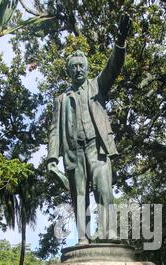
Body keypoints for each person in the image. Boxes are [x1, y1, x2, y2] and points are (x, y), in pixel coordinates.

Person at [47, 13, 131, 243]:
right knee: (79, 196)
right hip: (74, 152)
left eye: (80, 66)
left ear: (86, 67)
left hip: (97, 148)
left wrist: (120, 41)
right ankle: (83, 237)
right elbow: (55, 130)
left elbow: (113, 67)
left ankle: (109, 232)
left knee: (104, 189)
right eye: (73, 67)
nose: (77, 70)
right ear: (69, 71)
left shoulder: (97, 86)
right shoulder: (61, 99)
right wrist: (52, 157)